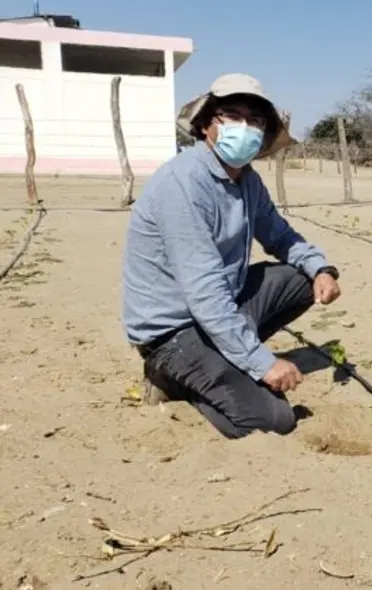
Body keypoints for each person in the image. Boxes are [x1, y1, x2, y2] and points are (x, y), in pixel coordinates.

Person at [121, 73, 342, 439]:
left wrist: (321, 269)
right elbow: (204, 292)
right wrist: (263, 364)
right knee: (275, 418)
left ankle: (222, 357)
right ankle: (173, 378)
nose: (245, 127)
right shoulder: (184, 184)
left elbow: (281, 235)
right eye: (232, 116)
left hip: (217, 307)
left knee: (301, 279)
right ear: (208, 123)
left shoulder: (247, 180)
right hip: (173, 330)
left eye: (254, 120)